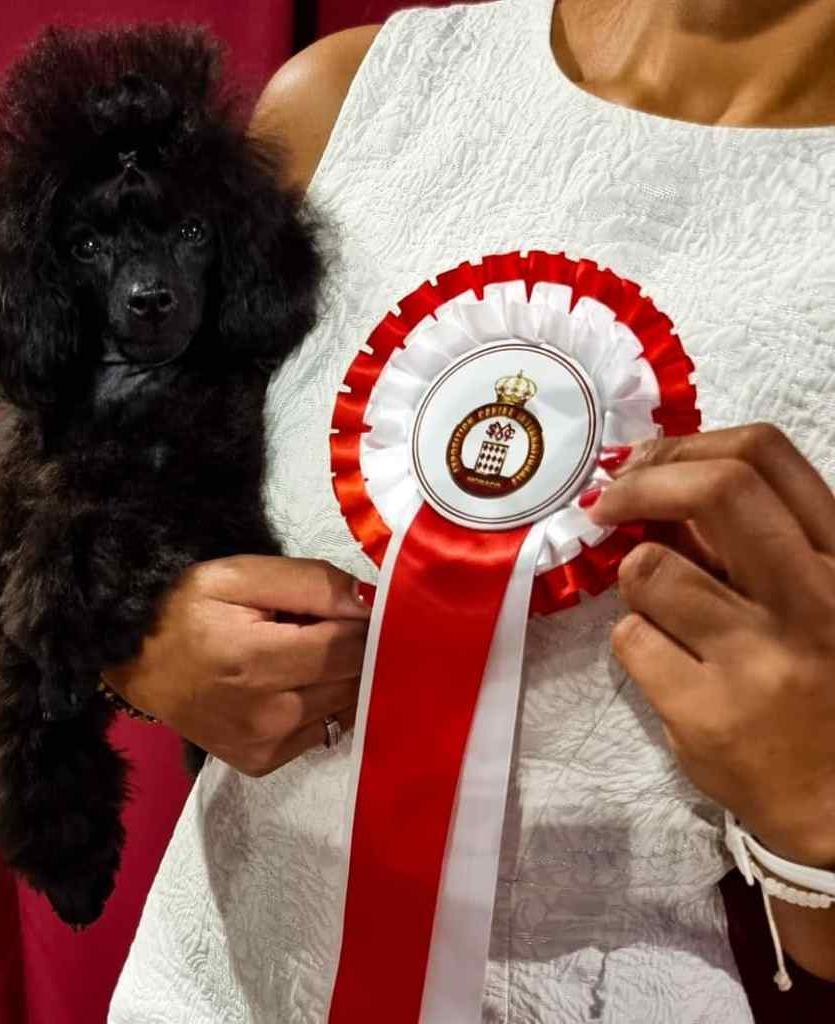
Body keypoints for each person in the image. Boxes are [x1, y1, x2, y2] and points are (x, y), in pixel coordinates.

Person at [107, 1, 835, 1019]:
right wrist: (134, 634)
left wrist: (818, 812)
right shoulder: (348, 97)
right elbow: (99, 470)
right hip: (203, 982)